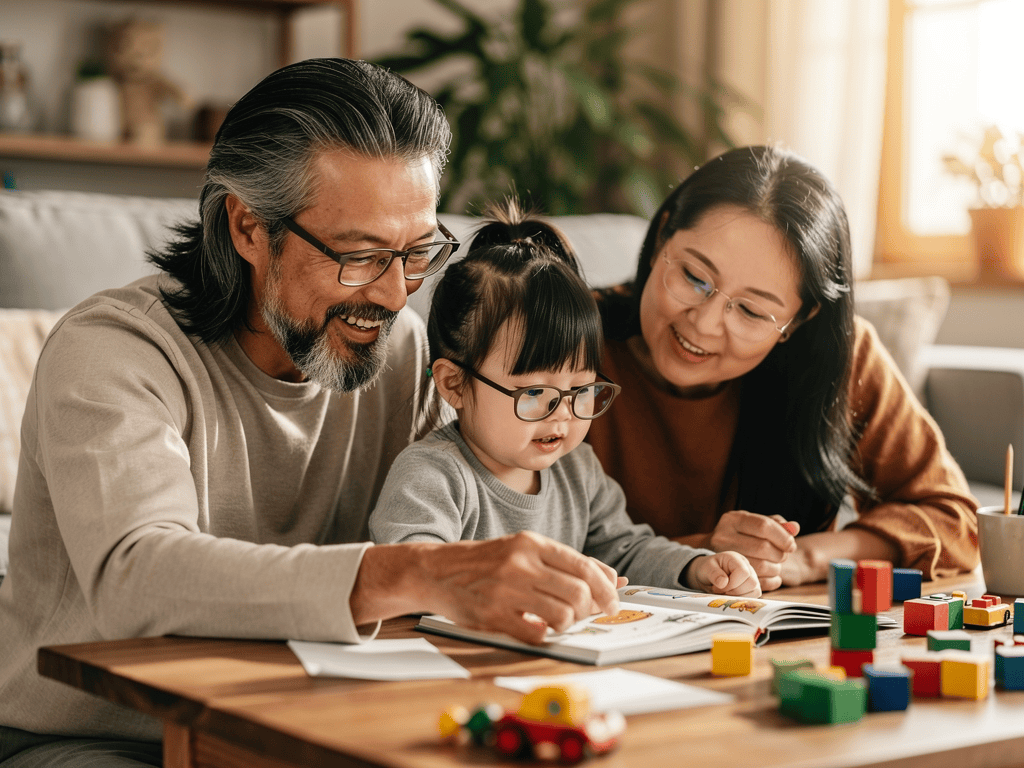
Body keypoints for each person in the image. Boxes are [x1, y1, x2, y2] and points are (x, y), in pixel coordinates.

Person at [0, 59, 624, 766]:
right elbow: (136, 575)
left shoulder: (402, 349)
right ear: (247, 228)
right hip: (96, 736)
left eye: (416, 252)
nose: (394, 294)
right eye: (358, 257)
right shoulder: (114, 352)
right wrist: (416, 571)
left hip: (305, 726)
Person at [587, 145, 979, 592]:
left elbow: (956, 520)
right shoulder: (562, 340)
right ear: (662, 239)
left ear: (799, 320)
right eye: (695, 277)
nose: (706, 322)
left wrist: (804, 557)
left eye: (752, 312)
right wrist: (701, 551)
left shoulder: (839, 358)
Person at [369, 200, 760, 599]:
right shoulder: (433, 477)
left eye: (581, 391)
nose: (563, 417)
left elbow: (625, 550)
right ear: (454, 385)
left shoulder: (578, 472)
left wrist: (695, 568)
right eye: (535, 393)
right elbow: (408, 570)